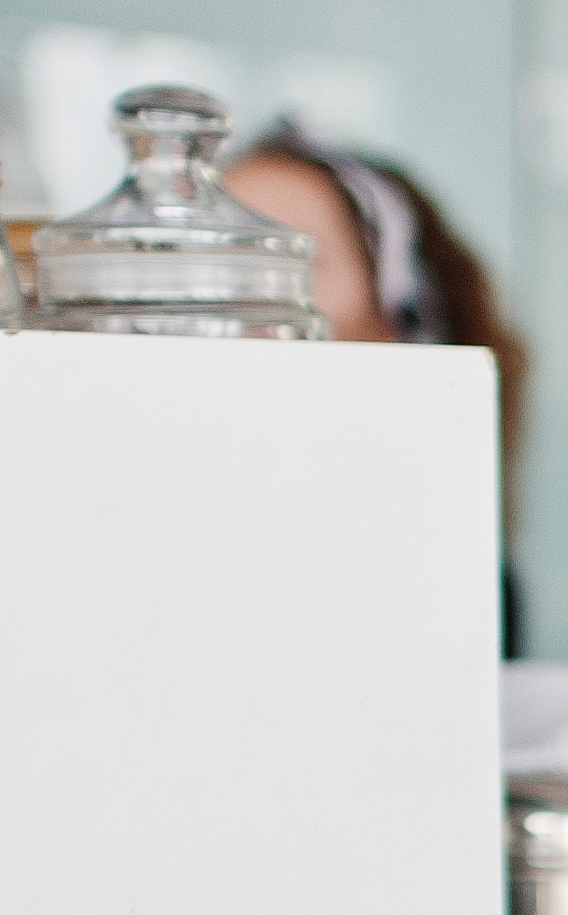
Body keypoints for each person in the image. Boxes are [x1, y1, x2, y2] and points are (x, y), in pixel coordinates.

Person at [226, 126, 533, 656]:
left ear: (405, 314)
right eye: (213, 257)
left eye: (289, 262)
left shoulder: (447, 574)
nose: (232, 295)